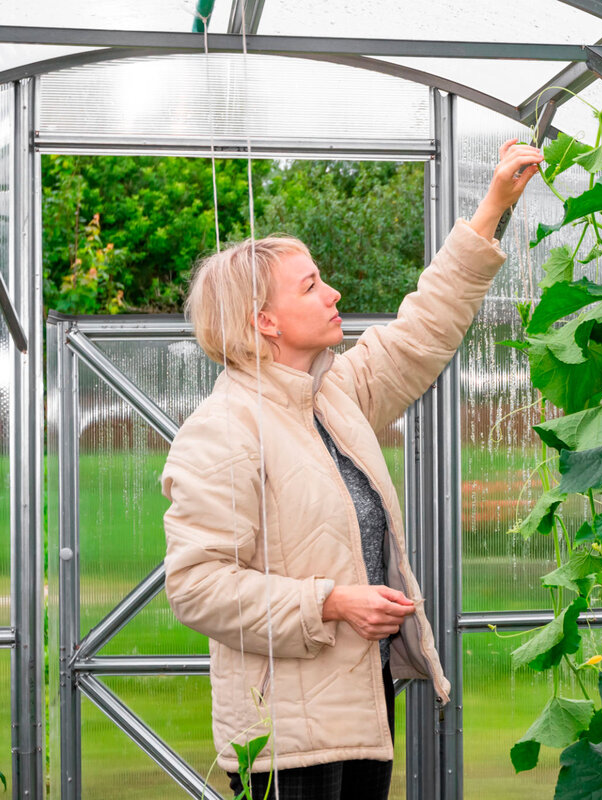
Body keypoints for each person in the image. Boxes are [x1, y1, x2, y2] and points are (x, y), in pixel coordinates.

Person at [161, 141, 543, 800]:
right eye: (312, 285)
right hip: (283, 742)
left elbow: (422, 330)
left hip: (360, 712)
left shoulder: (333, 396)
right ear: (264, 321)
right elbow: (197, 587)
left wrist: (492, 208)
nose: (333, 292)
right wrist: (331, 603)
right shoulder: (223, 431)